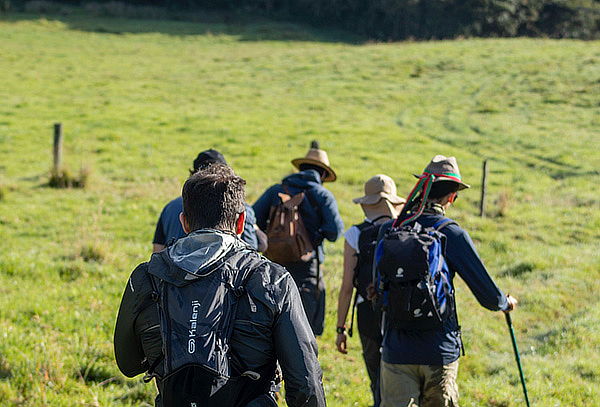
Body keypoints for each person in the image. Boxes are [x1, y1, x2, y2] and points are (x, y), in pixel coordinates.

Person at [114, 163, 326, 407]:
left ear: (184, 222)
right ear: (241, 223)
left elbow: (128, 364)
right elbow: (305, 382)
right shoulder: (271, 278)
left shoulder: (146, 277)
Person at [376, 155, 518, 407]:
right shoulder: (450, 232)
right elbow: (485, 292)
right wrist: (503, 302)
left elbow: (378, 285)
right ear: (451, 196)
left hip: (396, 350)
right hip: (438, 350)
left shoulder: (390, 229)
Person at [253, 141, 344, 336]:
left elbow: (252, 220)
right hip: (307, 270)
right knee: (304, 333)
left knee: (272, 330)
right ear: (323, 174)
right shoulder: (322, 195)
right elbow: (335, 232)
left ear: (301, 168)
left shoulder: (275, 190)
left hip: (273, 267)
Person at [335, 174, 406, 407]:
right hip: (402, 311)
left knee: (377, 380)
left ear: (367, 204)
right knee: (401, 381)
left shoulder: (355, 234)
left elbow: (347, 288)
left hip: (368, 313)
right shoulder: (407, 230)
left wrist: (341, 328)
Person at [152, 148, 267, 253]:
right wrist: (254, 226)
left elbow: (157, 251)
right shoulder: (238, 207)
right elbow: (255, 247)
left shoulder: (170, 207)